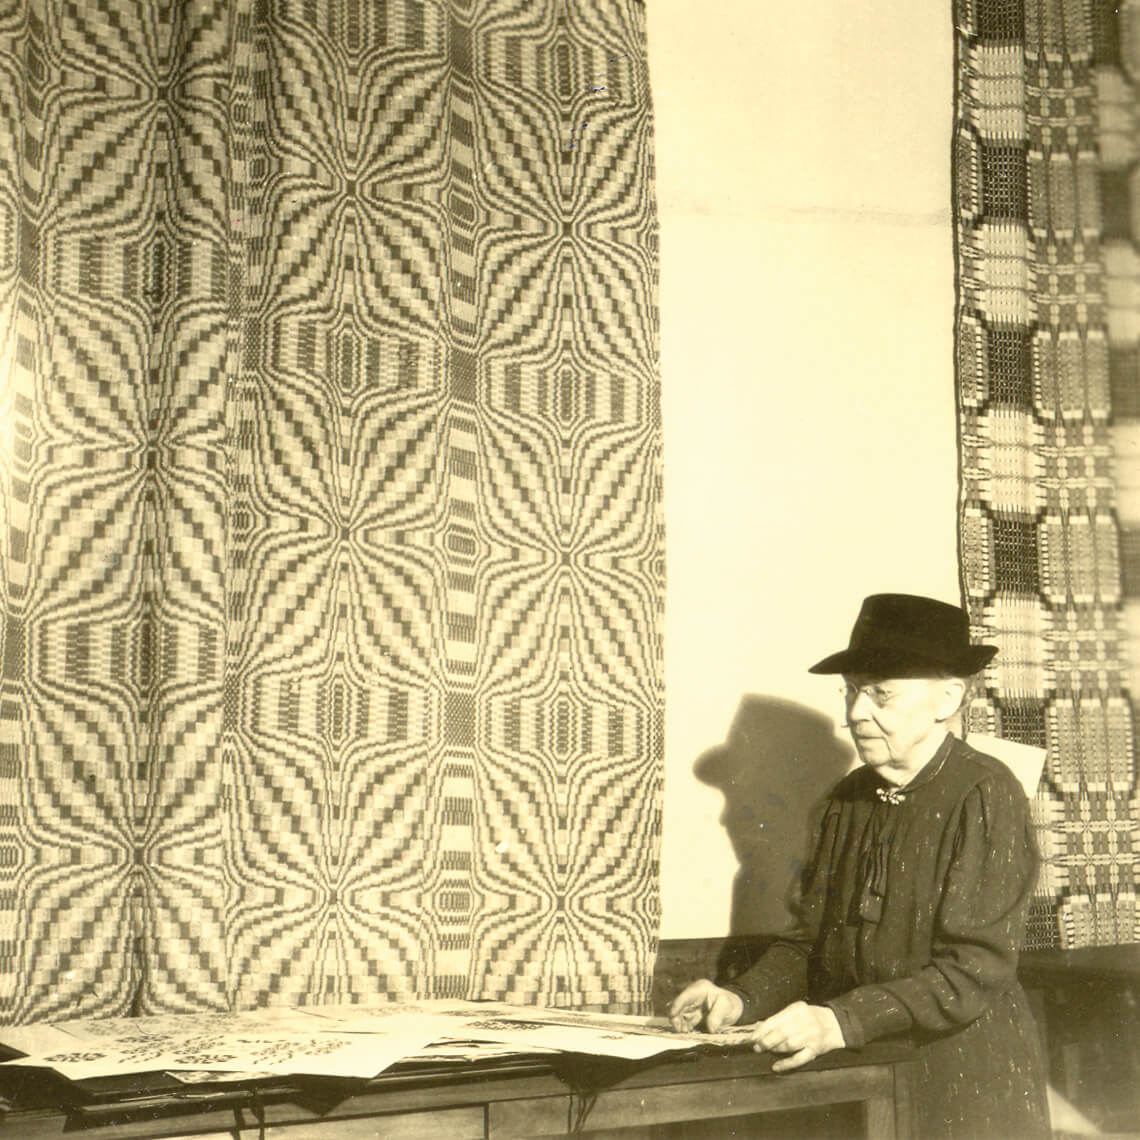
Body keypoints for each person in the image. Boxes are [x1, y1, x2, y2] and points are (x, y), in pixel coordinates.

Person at [669, 593, 1051, 1140]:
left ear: (947, 698)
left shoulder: (986, 794)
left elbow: (972, 970)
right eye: (851, 692)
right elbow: (807, 944)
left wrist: (840, 1021)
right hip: (865, 1077)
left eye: (880, 694)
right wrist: (740, 997)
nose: (855, 713)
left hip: (964, 1080)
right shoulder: (844, 801)